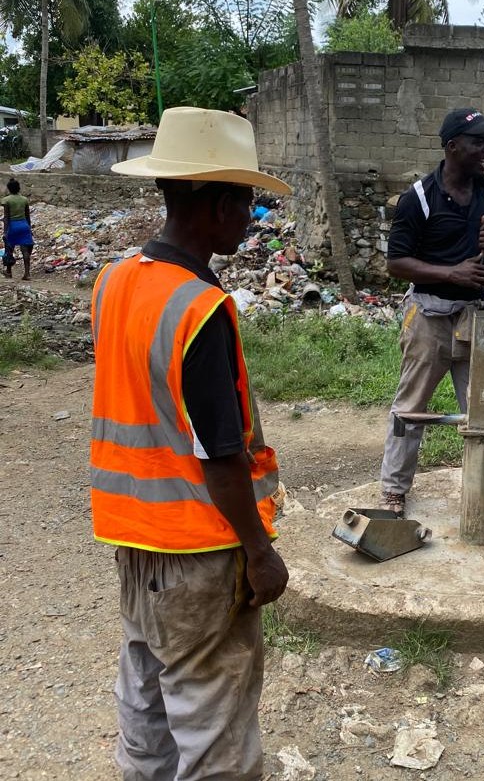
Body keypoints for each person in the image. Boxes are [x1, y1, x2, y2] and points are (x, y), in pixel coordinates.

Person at [91, 107, 290, 780]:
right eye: (246, 204)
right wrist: (259, 553)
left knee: (146, 699)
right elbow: (220, 453)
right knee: (213, 725)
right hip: (198, 550)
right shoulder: (199, 307)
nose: (250, 219)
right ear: (218, 205)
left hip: (133, 540)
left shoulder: (115, 281)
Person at [379, 107, 484, 532]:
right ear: (452, 146)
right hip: (428, 316)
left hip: (478, 319)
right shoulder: (419, 198)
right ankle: (393, 491)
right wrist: (450, 274)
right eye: (478, 141)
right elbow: (396, 263)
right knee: (411, 407)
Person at [2, 177, 34, 280]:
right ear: (19, 188)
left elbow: (6, 217)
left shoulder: (6, 200)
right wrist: (29, 228)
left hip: (12, 226)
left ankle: (9, 272)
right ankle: (27, 274)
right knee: (25, 250)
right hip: (24, 225)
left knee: (9, 249)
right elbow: (28, 216)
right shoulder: (24, 199)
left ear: (9, 189)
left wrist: (5, 232)